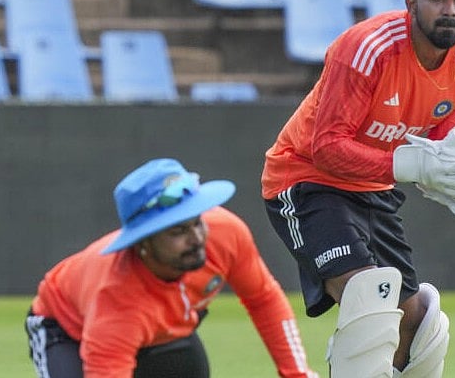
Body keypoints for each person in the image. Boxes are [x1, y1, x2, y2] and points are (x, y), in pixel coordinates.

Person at [261, 0, 455, 378]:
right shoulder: (365, 48)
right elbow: (327, 146)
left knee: (419, 324)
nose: (449, 10)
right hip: (304, 180)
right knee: (370, 300)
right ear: (411, 1)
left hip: (374, 191)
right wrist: (413, 167)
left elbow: (438, 154)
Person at [25, 158, 319, 378]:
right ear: (143, 243)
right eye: (178, 231)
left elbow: (263, 299)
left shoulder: (225, 233)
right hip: (66, 328)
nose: (197, 238)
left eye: (196, 221)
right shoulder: (118, 303)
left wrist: (297, 374)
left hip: (162, 328)